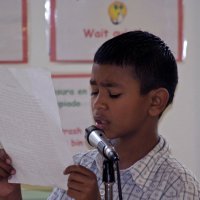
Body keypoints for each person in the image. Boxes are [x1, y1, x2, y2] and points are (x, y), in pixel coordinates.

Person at [0, 30, 199, 200]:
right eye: (95, 92)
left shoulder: (178, 186)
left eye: (113, 94)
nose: (98, 103)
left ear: (155, 102)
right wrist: (10, 195)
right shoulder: (80, 167)